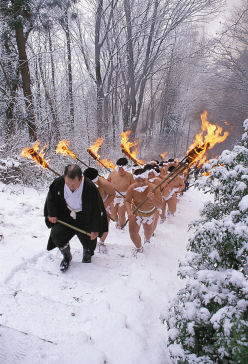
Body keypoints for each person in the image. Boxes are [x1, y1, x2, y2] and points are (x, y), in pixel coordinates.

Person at [44, 164, 108, 272]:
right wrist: (52, 214)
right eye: (68, 183)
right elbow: (51, 199)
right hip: (65, 216)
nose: (70, 187)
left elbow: (97, 209)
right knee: (57, 234)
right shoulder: (58, 183)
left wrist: (95, 228)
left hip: (85, 218)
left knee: (90, 241)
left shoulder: (90, 187)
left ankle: (87, 255)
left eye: (74, 185)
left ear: (81, 178)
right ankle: (67, 256)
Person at [125, 168, 162, 255]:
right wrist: (129, 211)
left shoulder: (153, 187)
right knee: (133, 232)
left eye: (143, 181)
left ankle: (147, 239)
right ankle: (139, 248)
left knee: (148, 231)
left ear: (147, 178)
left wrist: (153, 198)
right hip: (136, 211)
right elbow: (127, 201)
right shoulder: (132, 188)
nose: (140, 183)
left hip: (149, 213)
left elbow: (160, 206)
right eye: (138, 181)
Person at [83, 167, 115, 253]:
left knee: (105, 224)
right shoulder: (83, 182)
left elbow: (113, 194)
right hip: (91, 203)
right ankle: (90, 240)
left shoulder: (104, 184)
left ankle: (101, 242)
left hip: (104, 203)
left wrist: (105, 205)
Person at [107, 157, 134, 228]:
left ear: (126, 168)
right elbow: (107, 183)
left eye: (122, 169)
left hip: (124, 198)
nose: (120, 170)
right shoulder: (112, 174)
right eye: (119, 169)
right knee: (113, 215)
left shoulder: (130, 176)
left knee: (121, 213)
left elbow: (133, 188)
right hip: (114, 197)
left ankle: (121, 226)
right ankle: (118, 222)